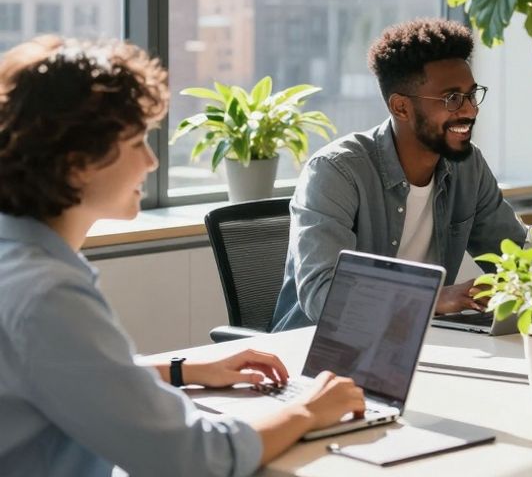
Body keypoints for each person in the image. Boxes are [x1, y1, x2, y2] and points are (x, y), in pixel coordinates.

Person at [0, 36, 364, 476]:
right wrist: (308, 411)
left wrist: (181, 369)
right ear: (78, 163)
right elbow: (190, 459)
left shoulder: (18, 260)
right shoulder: (48, 294)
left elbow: (65, 374)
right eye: (137, 142)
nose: (152, 162)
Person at [272, 18, 526, 331]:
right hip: (319, 350)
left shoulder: (467, 167)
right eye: (451, 99)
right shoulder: (336, 171)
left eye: (471, 95)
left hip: (416, 341)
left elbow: (517, 259)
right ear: (401, 108)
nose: (470, 110)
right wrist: (433, 298)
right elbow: (323, 295)